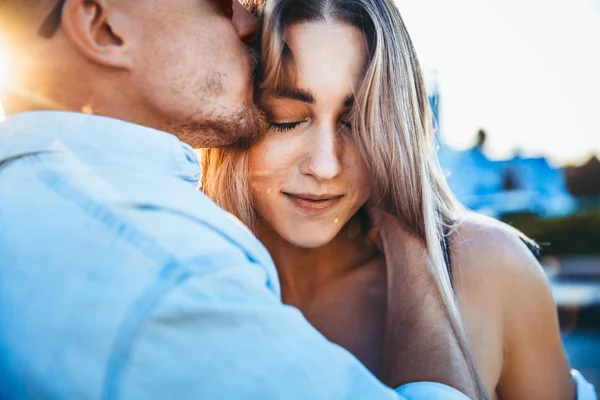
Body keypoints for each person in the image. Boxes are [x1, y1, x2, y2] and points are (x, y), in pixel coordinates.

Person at [0, 1, 479, 399]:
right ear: (104, 28)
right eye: (218, 2)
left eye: (358, 123)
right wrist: (414, 244)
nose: (247, 20)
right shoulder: (171, 272)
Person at [201, 0, 598, 399]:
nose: (324, 165)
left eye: (358, 124)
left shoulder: (488, 267)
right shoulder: (179, 272)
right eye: (285, 119)